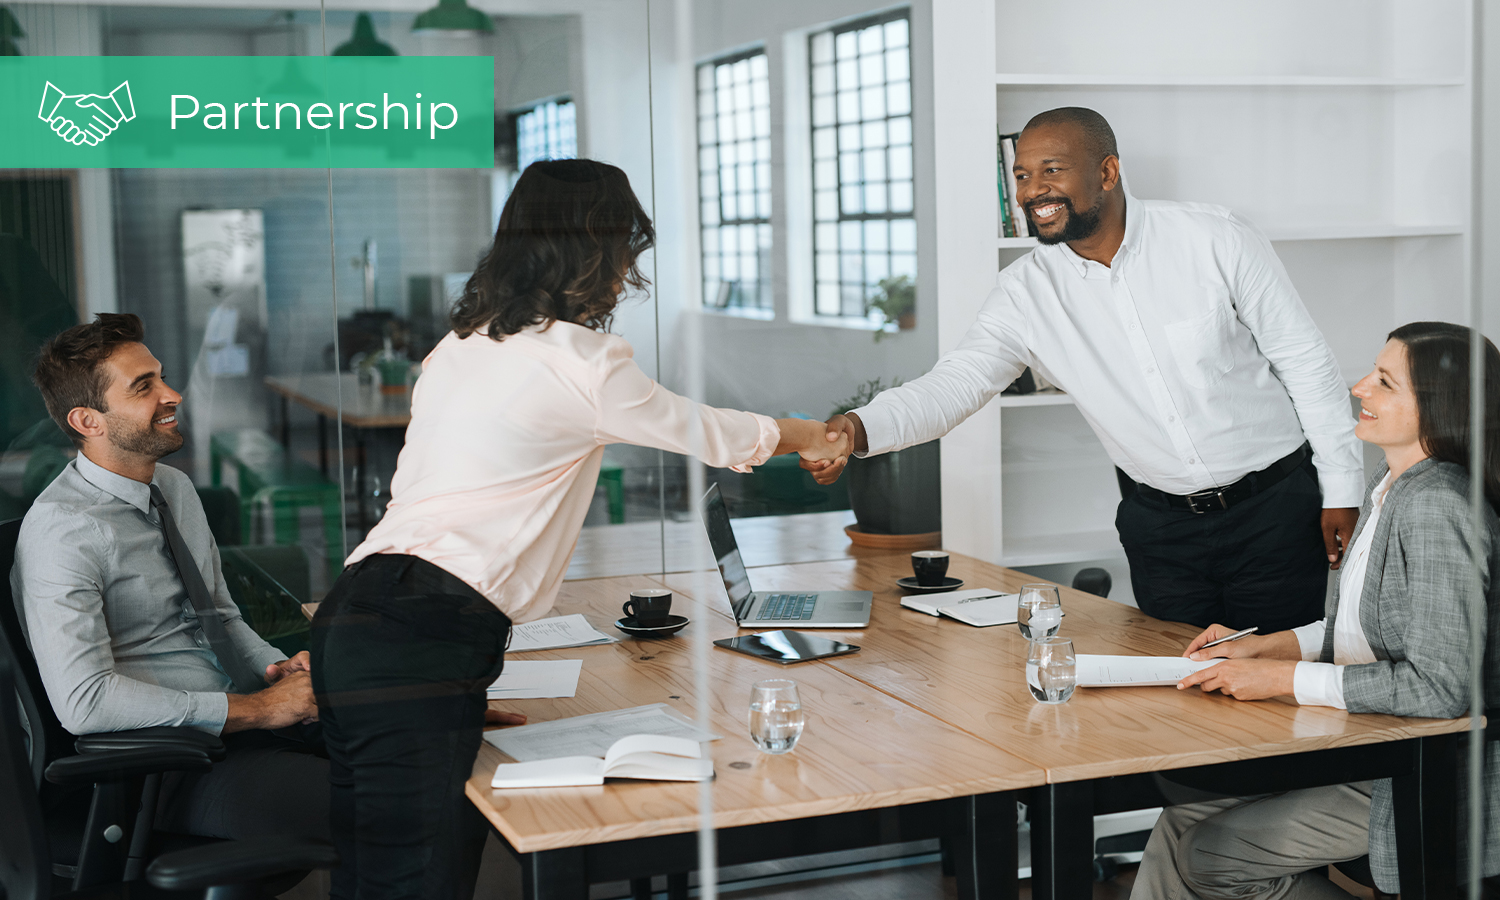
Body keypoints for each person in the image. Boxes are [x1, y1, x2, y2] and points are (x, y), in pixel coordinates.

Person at [310, 158, 852, 900]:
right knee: (416, 881)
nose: (630, 266)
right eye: (626, 244)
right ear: (596, 247)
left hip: (364, 616)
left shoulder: (459, 347)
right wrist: (814, 434)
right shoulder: (584, 365)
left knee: (376, 872)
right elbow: (713, 432)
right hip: (422, 632)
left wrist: (452, 685)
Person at [805, 107, 1362, 634]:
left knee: (1279, 690)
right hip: (1160, 530)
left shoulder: (1214, 239)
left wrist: (1342, 484)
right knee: (1185, 693)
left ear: (1108, 171)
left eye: (1052, 170)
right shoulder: (1024, 292)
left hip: (1275, 511)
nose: (1031, 192)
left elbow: (1304, 360)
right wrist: (857, 429)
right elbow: (956, 382)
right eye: (1022, 175)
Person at [1133, 322, 1500, 898]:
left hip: (1422, 770)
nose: (1359, 388)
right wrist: (1263, 645)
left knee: (1208, 855)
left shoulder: (1436, 507)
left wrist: (1281, 678)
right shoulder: (1392, 485)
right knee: (1179, 819)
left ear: (1438, 406)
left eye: (1384, 381)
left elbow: (1440, 688)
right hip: (1369, 743)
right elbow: (1364, 628)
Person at [12, 312, 328, 842]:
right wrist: (254, 711)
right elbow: (85, 703)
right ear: (88, 421)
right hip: (168, 769)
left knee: (430, 756)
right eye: (144, 386)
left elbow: (220, 617)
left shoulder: (174, 488)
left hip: (244, 730)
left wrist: (277, 674)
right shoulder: (63, 532)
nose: (173, 393)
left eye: (160, 376)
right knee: (385, 809)